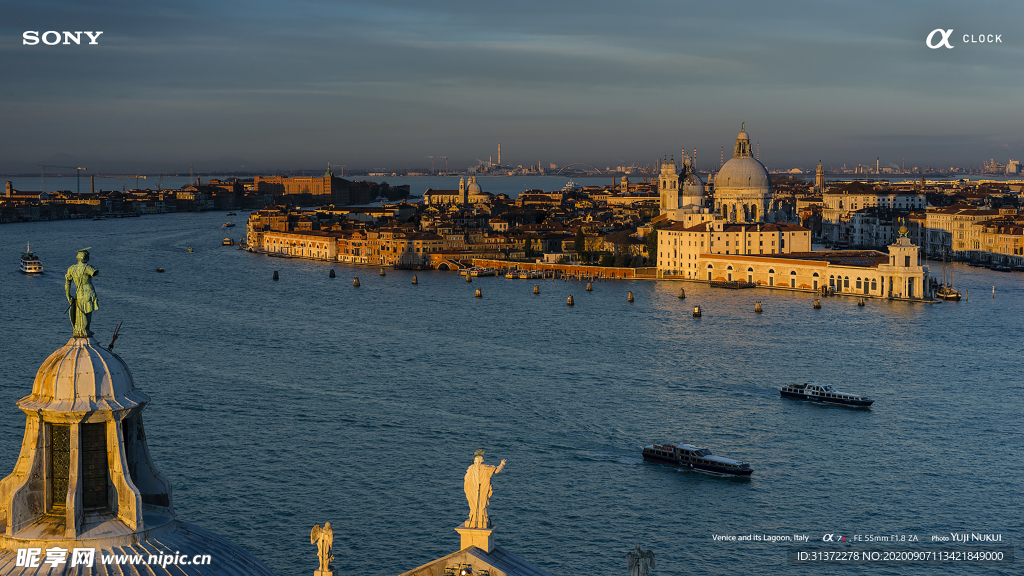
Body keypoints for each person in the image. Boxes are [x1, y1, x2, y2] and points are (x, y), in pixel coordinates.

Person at [463, 449, 506, 529]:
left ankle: (473, 518)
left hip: (472, 490)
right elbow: (496, 470)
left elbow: (466, 480)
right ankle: (482, 517)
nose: (483, 458)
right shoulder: (485, 468)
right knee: (482, 504)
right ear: (479, 461)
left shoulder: (470, 469)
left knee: (473, 504)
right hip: (483, 489)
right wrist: (502, 464)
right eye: (481, 457)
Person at [65, 249, 99, 338]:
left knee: (80, 311)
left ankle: (81, 329)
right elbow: (94, 272)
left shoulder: (71, 268)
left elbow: (67, 282)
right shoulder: (88, 267)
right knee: (88, 311)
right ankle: (85, 329)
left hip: (79, 292)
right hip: (89, 291)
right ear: (85, 257)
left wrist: (67, 294)